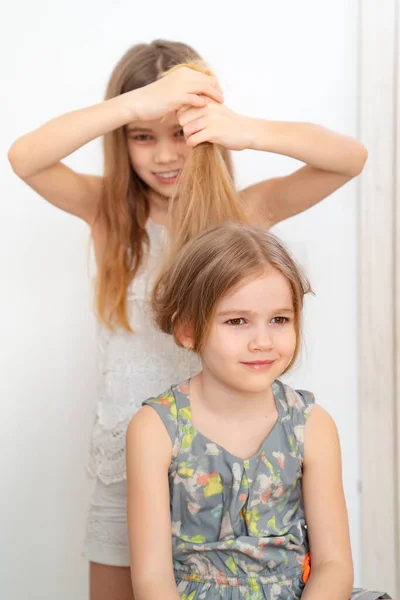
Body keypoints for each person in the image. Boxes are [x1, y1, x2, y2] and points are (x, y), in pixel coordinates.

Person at [7, 39, 367, 600]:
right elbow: (25, 157)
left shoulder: (240, 214)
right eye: (143, 137)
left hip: (224, 461)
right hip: (130, 464)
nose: (165, 155)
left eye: (180, 133)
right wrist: (136, 103)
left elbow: (349, 158)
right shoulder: (109, 215)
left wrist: (244, 129)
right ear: (122, 140)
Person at [127, 221, 391, 600]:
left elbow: (334, 564)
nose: (263, 341)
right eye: (237, 321)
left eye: (279, 320)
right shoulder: (156, 429)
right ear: (186, 329)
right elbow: (152, 579)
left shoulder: (311, 424)